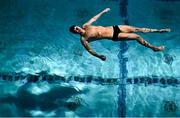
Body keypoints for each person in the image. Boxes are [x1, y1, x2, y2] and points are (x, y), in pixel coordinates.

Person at [69, 8, 171, 61]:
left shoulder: (85, 25)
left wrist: (103, 11)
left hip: (115, 27)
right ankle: (154, 48)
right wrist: (99, 56)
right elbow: (90, 50)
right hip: (115, 36)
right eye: (75, 30)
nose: (77, 29)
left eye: (76, 27)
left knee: (138, 29)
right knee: (137, 37)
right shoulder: (84, 39)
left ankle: (158, 31)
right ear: (75, 32)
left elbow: (94, 18)